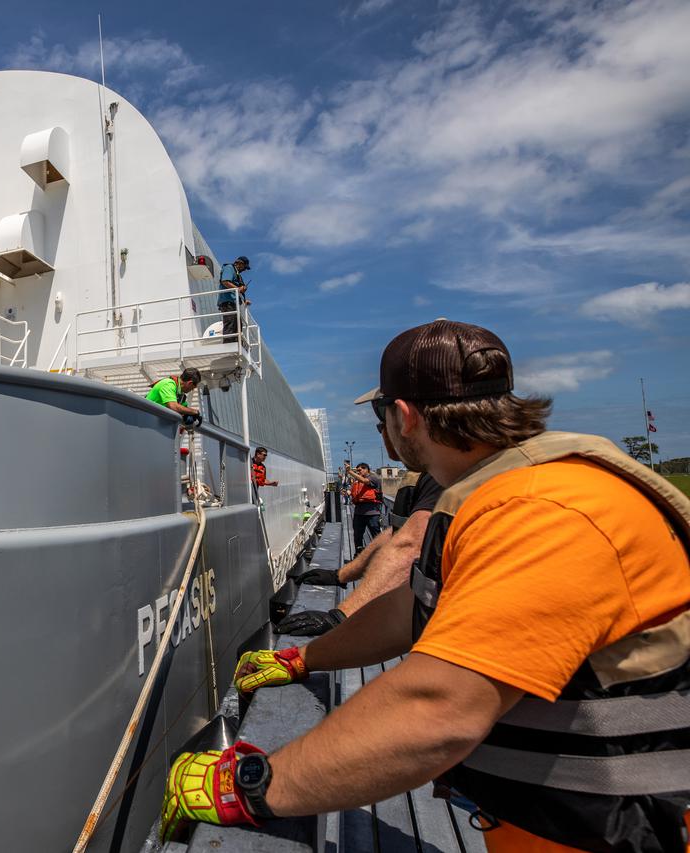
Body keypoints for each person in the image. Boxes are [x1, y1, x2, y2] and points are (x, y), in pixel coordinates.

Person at [160, 319, 690, 852]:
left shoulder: (543, 511)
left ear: (405, 416)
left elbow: (439, 710)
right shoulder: (498, 494)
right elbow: (407, 612)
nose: (382, 429)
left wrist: (245, 786)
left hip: (627, 833)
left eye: (381, 416)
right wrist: (303, 659)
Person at [279, 462, 442, 636]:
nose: (391, 451)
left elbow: (409, 545)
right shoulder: (422, 475)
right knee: (358, 537)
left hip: (435, 626)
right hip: (412, 619)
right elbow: (397, 534)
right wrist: (341, 575)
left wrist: (343, 614)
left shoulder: (441, 478)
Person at [347, 462, 382, 553]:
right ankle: (358, 552)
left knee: (376, 535)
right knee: (357, 535)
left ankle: (379, 554)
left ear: (366, 469)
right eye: (357, 471)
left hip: (372, 513)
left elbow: (365, 481)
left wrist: (350, 472)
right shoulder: (357, 482)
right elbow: (354, 492)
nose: (359, 472)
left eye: (360, 470)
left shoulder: (373, 478)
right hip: (359, 513)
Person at [217, 256, 251, 344]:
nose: (244, 270)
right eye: (244, 267)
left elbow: (237, 290)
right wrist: (239, 289)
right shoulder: (229, 268)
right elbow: (225, 281)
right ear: (240, 263)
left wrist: (244, 300)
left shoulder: (237, 273)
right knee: (230, 324)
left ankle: (236, 345)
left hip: (233, 303)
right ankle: (228, 346)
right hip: (227, 302)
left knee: (237, 326)